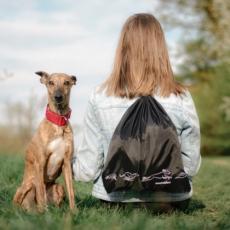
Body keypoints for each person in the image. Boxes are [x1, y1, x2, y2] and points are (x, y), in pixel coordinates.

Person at [72, 13, 201, 211]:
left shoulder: (99, 96)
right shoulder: (181, 97)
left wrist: (64, 165)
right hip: (171, 200)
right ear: (160, 49)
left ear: (123, 49)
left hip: (116, 200)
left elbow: (88, 169)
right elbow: (190, 164)